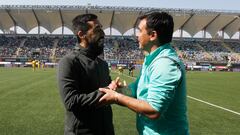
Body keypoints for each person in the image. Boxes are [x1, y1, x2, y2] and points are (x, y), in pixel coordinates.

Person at [99, 11, 189, 135]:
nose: (137, 36)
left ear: (152, 35)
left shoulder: (165, 64)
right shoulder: (150, 59)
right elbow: (136, 90)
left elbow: (153, 110)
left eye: (140, 31)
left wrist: (116, 97)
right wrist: (121, 91)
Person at [57, 14, 114, 135]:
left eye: (102, 28)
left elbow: (110, 95)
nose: (102, 33)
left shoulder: (103, 64)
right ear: (81, 34)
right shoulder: (69, 62)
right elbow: (70, 101)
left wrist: (117, 89)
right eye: (97, 29)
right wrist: (107, 91)